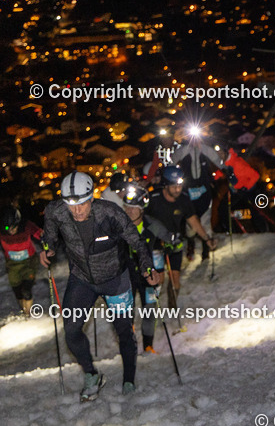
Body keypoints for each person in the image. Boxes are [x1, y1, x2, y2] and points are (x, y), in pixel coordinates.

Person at [40, 172, 163, 398]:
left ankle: (128, 380)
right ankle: (91, 374)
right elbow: (49, 234)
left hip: (115, 279)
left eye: (82, 204)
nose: (76, 211)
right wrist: (47, 247)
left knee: (124, 332)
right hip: (82, 280)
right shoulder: (55, 211)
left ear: (91, 197)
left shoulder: (110, 213)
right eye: (71, 205)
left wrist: (147, 269)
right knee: (71, 330)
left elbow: (137, 242)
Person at [145, 166, 218, 302]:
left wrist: (207, 239)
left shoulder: (183, 200)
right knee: (159, 279)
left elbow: (194, 222)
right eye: (174, 187)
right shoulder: (153, 199)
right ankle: (151, 307)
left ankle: (172, 309)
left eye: (179, 186)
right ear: (165, 185)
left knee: (175, 280)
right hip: (155, 245)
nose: (177, 189)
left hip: (175, 242)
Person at [122, 183, 173, 354]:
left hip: (148, 274)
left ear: (142, 210)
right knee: (126, 312)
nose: (129, 211)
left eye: (134, 208)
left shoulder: (152, 225)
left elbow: (171, 239)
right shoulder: (118, 226)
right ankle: (129, 345)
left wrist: (173, 244)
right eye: (126, 207)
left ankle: (148, 346)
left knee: (149, 311)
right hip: (126, 275)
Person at [1, 205, 42, 316]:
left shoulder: (26, 226)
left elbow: (39, 233)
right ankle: (23, 310)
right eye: (7, 228)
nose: (11, 231)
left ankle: (27, 314)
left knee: (26, 290)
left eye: (14, 227)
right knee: (18, 291)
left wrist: (46, 242)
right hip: (12, 264)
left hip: (28, 261)